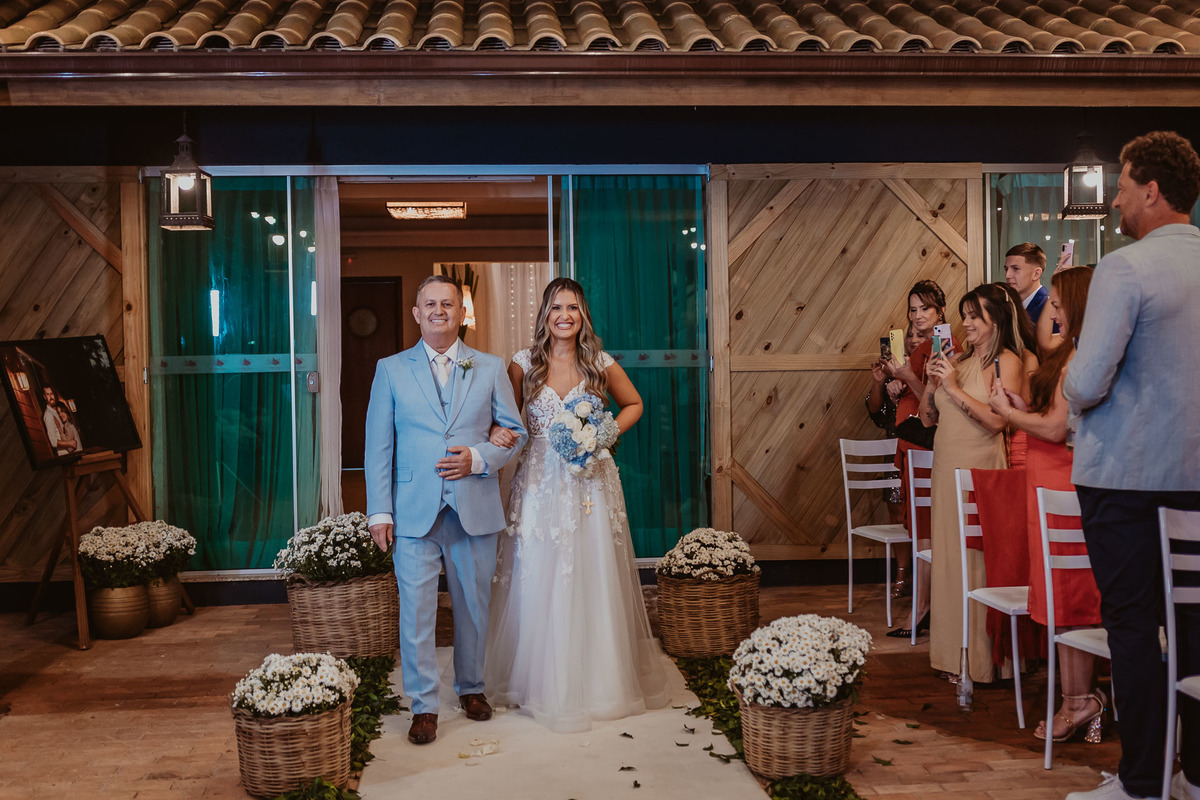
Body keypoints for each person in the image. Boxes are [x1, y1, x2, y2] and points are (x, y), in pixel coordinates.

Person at [1063, 131, 1200, 800]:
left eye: (1120, 188)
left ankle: (1144, 780)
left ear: (1151, 191)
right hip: (1196, 484)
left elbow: (1088, 382)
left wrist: (1069, 381)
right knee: (1195, 630)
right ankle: (1195, 774)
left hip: (1125, 480)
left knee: (1133, 628)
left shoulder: (1126, 268)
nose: (1114, 201)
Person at [483, 277, 669, 732]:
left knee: (590, 567)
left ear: (583, 315)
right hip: (539, 480)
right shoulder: (523, 364)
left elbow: (634, 404)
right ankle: (536, 680)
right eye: (556, 308)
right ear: (544, 315)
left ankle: (599, 681)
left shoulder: (599, 362)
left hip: (590, 482)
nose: (564, 316)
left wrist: (602, 435)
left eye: (572, 308)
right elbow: (502, 419)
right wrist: (497, 433)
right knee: (537, 569)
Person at [364, 274, 527, 746]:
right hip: (413, 511)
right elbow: (378, 446)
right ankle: (423, 706)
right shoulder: (390, 369)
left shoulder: (489, 367)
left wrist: (477, 457)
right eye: (430, 304)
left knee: (473, 607)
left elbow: (515, 432)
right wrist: (379, 512)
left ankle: (471, 688)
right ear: (417, 313)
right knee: (416, 612)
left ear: (461, 312)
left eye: (448, 304)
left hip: (473, 505)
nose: (439, 311)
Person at [989, 267, 1104, 744]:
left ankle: (1079, 701)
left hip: (1063, 486)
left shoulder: (1080, 356)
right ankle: (1080, 697)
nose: (1051, 312)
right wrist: (1024, 408)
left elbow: (1057, 430)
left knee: (1071, 596)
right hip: (1050, 483)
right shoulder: (1070, 352)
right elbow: (1058, 417)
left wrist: (1008, 414)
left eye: (1056, 303)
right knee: (1061, 593)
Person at [920, 283, 1026, 682]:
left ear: (994, 319)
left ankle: (984, 660)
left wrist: (952, 387)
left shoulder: (1006, 362)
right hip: (946, 467)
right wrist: (932, 384)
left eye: (973, 316)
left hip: (982, 471)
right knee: (949, 560)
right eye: (964, 316)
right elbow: (928, 419)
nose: (965, 323)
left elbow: (998, 421)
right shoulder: (958, 360)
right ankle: (953, 656)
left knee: (978, 560)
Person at [885, 280, 952, 637]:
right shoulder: (920, 347)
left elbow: (937, 406)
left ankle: (925, 608)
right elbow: (913, 394)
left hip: (925, 446)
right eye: (913, 309)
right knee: (918, 528)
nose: (918, 315)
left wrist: (907, 377)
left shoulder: (943, 347)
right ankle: (924, 606)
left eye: (925, 308)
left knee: (925, 528)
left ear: (940, 311)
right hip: (910, 445)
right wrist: (895, 385)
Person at [1004, 242, 1049, 325]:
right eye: (1006, 269)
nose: (1007, 275)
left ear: (1036, 274)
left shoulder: (1049, 309)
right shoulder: (1007, 306)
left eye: (1015, 269)